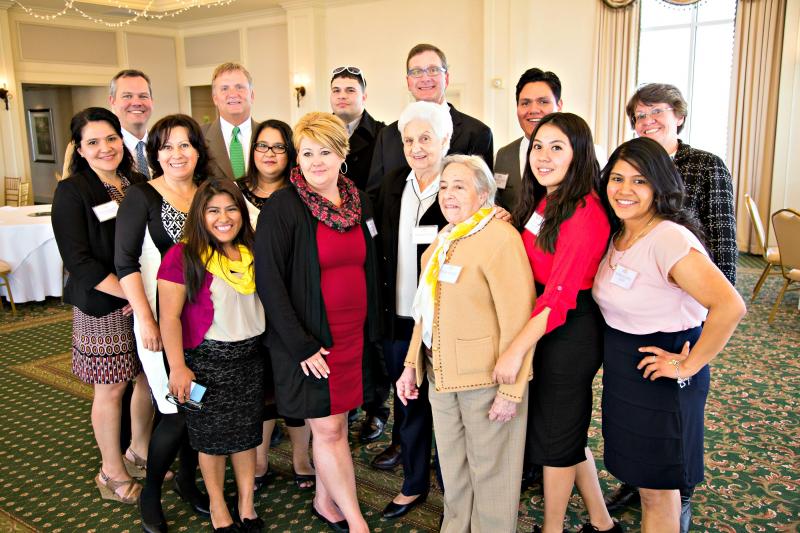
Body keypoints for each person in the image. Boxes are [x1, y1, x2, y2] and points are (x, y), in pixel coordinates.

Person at [593, 137, 745, 532]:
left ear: (660, 185)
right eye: (617, 178)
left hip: (664, 375)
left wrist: (689, 364)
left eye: (639, 181)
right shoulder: (622, 232)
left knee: (658, 491)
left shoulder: (668, 238)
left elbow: (730, 306)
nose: (624, 190)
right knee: (646, 484)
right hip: (629, 375)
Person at [254, 112, 379, 533]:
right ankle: (357, 520)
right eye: (307, 152)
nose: (316, 161)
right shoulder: (284, 207)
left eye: (325, 151)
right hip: (312, 343)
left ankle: (326, 501)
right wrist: (302, 345)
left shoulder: (359, 201)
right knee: (327, 431)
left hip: (353, 336)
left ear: (342, 155)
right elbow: (269, 283)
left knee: (339, 424)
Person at [395, 154, 535, 531]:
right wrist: (412, 364)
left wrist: (512, 389)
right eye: (443, 186)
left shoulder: (500, 238)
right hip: (440, 374)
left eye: (459, 186)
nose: (448, 194)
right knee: (454, 476)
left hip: (486, 380)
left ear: (485, 193)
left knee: (492, 478)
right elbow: (425, 309)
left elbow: (519, 319)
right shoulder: (445, 237)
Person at [500, 112, 619, 533]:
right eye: (538, 146)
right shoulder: (547, 200)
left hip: (570, 330)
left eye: (557, 147)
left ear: (579, 154)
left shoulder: (586, 210)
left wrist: (516, 349)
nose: (543, 156)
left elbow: (559, 296)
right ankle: (603, 523)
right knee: (566, 433)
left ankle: (552, 529)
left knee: (556, 440)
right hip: (547, 323)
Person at [52, 107, 152, 505]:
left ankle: (139, 451)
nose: (105, 147)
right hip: (103, 305)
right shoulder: (72, 190)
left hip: (143, 300)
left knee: (146, 377)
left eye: (111, 138)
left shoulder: (137, 182)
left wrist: (146, 298)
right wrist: (132, 295)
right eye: (93, 142)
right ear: (79, 148)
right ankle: (111, 471)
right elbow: (79, 262)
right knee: (111, 388)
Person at [116, 114, 211, 532]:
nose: (177, 154)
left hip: (206, 323)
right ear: (155, 153)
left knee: (198, 406)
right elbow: (125, 263)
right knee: (175, 410)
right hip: (159, 322)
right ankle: (152, 491)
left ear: (197, 151)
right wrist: (147, 319)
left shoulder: (208, 193)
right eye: (167, 146)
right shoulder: (142, 197)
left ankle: (188, 483)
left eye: (185, 145)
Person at [157, 178, 266, 533]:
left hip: (249, 361)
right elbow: (169, 317)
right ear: (200, 215)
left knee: (247, 435)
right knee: (212, 440)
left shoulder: (252, 250)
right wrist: (177, 367)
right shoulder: (183, 256)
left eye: (231, 208)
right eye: (213, 210)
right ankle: (219, 506)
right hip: (205, 364)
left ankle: (246, 504)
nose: (224, 218)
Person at [373, 100, 451, 516]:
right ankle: (414, 482)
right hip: (399, 318)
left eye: (425, 138)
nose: (416, 148)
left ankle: (457, 490)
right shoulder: (390, 185)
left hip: (445, 322)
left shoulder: (459, 187)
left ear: (445, 141)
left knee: (451, 411)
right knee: (408, 406)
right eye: (408, 140)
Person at [236, 119, 316, 491]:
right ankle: (260, 457)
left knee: (293, 381)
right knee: (260, 385)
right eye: (262, 146)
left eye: (278, 147)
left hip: (290, 303)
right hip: (245, 303)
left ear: (291, 154)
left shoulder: (303, 193)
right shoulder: (234, 194)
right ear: (252, 151)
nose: (269, 154)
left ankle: (302, 457)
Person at [329, 65, 390, 442]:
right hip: (332, 237)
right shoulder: (323, 132)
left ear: (364, 96)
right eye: (336, 90)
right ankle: (347, 401)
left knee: (371, 330)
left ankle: (376, 406)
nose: (342, 96)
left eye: (350, 90)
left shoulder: (383, 134)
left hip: (369, 236)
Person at [366, 43, 493, 192]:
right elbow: (375, 195)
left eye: (433, 70)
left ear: (446, 78)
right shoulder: (387, 136)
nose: (425, 78)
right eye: (416, 72)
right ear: (408, 82)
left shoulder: (477, 133)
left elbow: (484, 194)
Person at [63, 70, 155, 180]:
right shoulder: (85, 148)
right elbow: (71, 191)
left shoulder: (163, 143)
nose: (136, 103)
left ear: (152, 100)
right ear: (112, 101)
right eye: (127, 96)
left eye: (143, 96)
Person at [203, 63, 259, 180]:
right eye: (224, 89)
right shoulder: (199, 136)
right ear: (215, 99)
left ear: (252, 95)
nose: (233, 94)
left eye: (239, 87)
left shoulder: (268, 135)